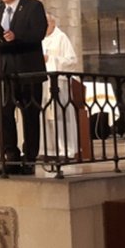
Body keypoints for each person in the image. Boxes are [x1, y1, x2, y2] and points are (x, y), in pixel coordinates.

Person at [0, 0, 48, 175]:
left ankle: (30, 159)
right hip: (5, 72)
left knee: (30, 114)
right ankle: (11, 157)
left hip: (28, 69)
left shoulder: (33, 7)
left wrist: (17, 36)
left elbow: (38, 32)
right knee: (4, 114)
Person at [41, 14, 80, 160]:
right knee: (45, 116)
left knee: (60, 116)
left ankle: (66, 149)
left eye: (46, 23)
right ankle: (49, 149)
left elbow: (72, 61)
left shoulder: (61, 38)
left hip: (59, 83)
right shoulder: (39, 40)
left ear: (52, 23)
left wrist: (50, 59)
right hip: (43, 82)